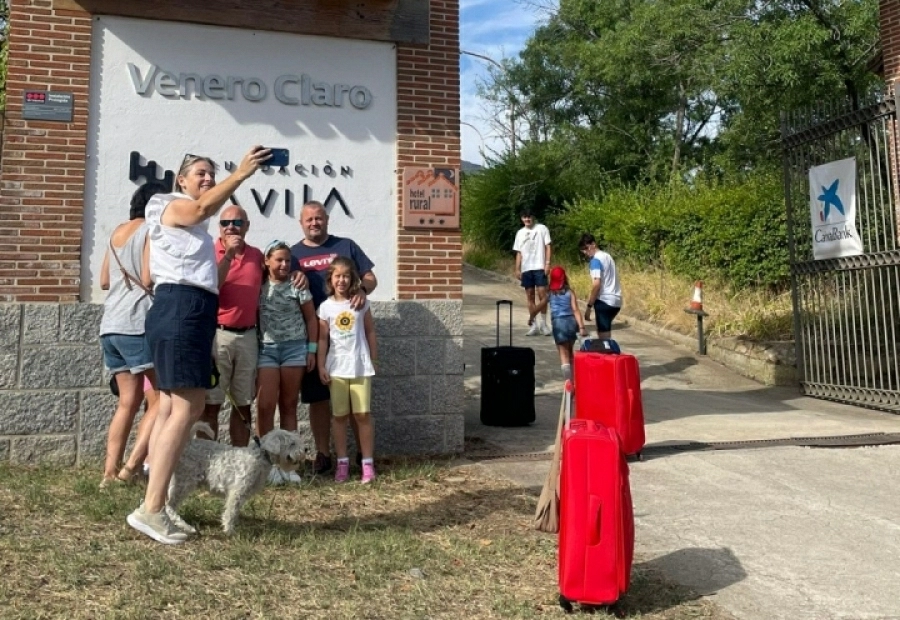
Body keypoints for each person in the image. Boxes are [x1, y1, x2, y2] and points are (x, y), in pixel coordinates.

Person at [126, 147, 269, 545]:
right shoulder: (167, 203)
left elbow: (203, 277)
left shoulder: (194, 228)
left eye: (212, 173)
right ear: (182, 181)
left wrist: (229, 258)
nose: (207, 178)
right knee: (188, 408)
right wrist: (240, 174)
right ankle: (151, 509)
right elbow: (205, 207)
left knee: (172, 407)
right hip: (181, 309)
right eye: (200, 173)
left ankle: (158, 503)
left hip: (189, 306)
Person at [290, 201, 377, 475]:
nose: (314, 223)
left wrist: (362, 288)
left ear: (326, 219)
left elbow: (371, 278)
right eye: (309, 220)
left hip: (349, 341)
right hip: (315, 337)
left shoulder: (346, 246)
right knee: (318, 399)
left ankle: (361, 454)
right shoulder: (293, 254)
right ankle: (323, 453)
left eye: (319, 218)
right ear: (301, 223)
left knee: (353, 403)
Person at [98, 181, 167, 488]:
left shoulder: (117, 232)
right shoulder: (151, 231)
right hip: (137, 322)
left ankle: (108, 473)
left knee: (128, 401)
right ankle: (132, 467)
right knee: (161, 398)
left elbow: (103, 281)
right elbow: (149, 276)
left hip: (110, 324)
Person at [200, 204, 264, 447]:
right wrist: (228, 254)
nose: (231, 227)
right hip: (219, 335)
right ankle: (207, 459)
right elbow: (213, 284)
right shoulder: (209, 251)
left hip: (248, 336)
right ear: (219, 228)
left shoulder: (257, 255)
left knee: (243, 405)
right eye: (225, 223)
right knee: (211, 404)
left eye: (237, 222)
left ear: (246, 226)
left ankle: (239, 458)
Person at [257, 240, 318, 484]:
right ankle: (266, 463)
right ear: (267, 261)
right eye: (278, 260)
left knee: (289, 405)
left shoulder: (297, 285)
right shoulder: (259, 286)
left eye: (287, 260)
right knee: (265, 405)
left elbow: (311, 319)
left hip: (294, 349)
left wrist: (311, 350)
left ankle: (289, 465)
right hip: (266, 350)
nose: (283, 264)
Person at [316, 257, 378, 483]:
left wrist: (374, 358)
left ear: (353, 279)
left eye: (346, 276)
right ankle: (342, 462)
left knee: (362, 415)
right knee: (339, 416)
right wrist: (321, 365)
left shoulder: (361, 303)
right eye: (337, 276)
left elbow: (370, 332)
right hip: (337, 368)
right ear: (330, 280)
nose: (341, 280)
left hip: (360, 366)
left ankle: (367, 464)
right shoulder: (325, 307)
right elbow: (322, 339)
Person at [513, 208, 552, 336]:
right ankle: (534, 325)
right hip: (526, 268)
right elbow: (519, 252)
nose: (527, 219)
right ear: (522, 219)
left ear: (532, 217)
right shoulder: (520, 233)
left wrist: (547, 263)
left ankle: (544, 324)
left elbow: (548, 247)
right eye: (524, 217)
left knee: (543, 295)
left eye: (529, 216)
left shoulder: (542, 228)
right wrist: (517, 268)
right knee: (530, 296)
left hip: (540, 266)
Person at [578, 233, 623, 340]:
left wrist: (589, 307)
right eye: (583, 250)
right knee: (604, 333)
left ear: (593, 244)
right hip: (616, 301)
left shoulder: (595, 261)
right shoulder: (607, 256)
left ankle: (610, 355)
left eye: (586, 248)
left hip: (604, 301)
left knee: (604, 338)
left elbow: (596, 285)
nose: (585, 252)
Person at [547, 266, 587, 381]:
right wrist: (581, 327)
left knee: (563, 353)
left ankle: (568, 382)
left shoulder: (550, 293)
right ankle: (574, 380)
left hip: (558, 324)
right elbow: (575, 310)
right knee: (569, 352)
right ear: (564, 278)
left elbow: (541, 305)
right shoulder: (570, 292)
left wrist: (533, 315)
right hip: (571, 323)